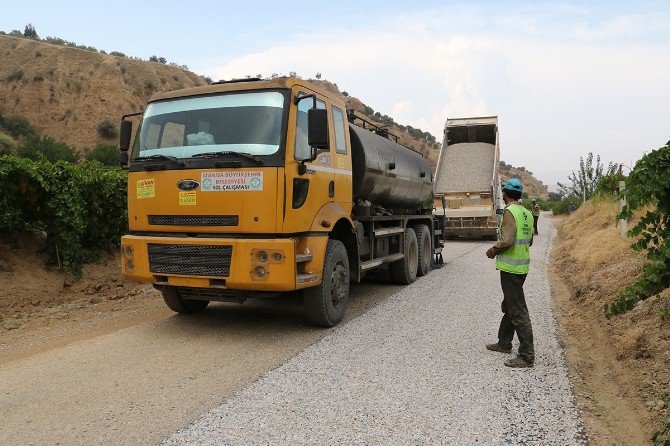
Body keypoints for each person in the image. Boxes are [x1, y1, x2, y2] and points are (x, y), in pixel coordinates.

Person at [485, 178, 535, 368]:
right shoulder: (526, 213)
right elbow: (529, 241)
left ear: (505, 193)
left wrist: (493, 251)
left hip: (511, 269)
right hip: (522, 268)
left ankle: (527, 355)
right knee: (509, 304)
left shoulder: (509, 212)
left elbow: (507, 240)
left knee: (517, 310)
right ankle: (504, 343)